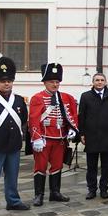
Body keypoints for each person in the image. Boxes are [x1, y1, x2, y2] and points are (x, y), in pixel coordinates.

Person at [29, 63, 78, 206]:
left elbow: (73, 115)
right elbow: (34, 119)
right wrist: (36, 137)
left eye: (57, 82)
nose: (55, 84)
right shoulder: (38, 98)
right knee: (40, 166)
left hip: (60, 139)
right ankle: (39, 195)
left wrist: (72, 129)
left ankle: (55, 192)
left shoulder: (66, 97)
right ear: (45, 82)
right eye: (51, 82)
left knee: (57, 166)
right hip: (44, 139)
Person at [0, 56, 29, 210]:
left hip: (13, 145)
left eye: (9, 80)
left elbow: (24, 120)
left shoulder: (19, 101)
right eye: (3, 81)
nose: (7, 83)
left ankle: (13, 200)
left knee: (12, 176)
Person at [79, 73, 108, 200]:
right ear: (93, 82)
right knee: (91, 165)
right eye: (97, 80)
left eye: (102, 80)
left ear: (106, 82)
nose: (99, 82)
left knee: (106, 165)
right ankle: (91, 189)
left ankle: (104, 188)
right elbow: (81, 116)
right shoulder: (85, 96)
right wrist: (82, 133)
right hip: (91, 135)